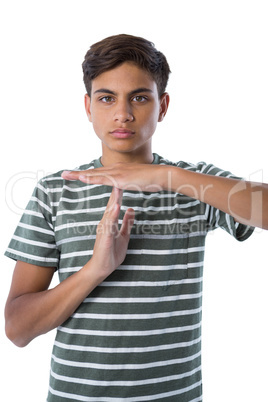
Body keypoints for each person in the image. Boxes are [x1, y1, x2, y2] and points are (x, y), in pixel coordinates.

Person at [4, 34, 268, 402]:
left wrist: (166, 177)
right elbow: (17, 329)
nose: (123, 113)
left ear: (163, 106)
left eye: (140, 97)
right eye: (107, 98)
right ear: (88, 106)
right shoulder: (55, 191)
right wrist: (95, 269)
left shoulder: (194, 184)